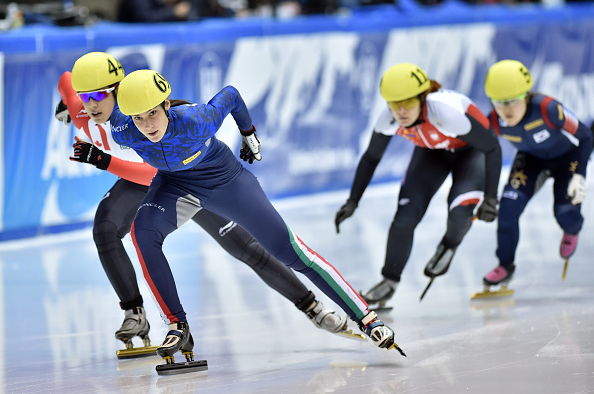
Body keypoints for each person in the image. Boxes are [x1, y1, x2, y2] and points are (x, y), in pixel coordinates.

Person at [55, 52, 358, 355]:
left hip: (177, 174)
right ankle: (135, 313)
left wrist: (103, 159)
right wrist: (68, 105)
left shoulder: (136, 112)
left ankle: (312, 306)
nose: (91, 103)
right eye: (85, 97)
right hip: (149, 181)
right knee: (105, 229)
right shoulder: (83, 106)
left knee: (245, 248)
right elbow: (66, 81)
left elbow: (153, 170)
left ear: (120, 89)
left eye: (98, 95)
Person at [111, 69, 404, 366]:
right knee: (142, 234)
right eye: (138, 118)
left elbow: (232, 95)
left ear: (166, 105)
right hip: (175, 186)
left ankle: (367, 318)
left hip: (225, 182)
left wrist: (248, 133)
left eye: (152, 114)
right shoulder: (123, 129)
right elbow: (99, 108)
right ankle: (178, 325)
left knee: (291, 253)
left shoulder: (196, 120)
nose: (147, 125)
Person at [335, 63, 502, 306]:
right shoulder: (388, 119)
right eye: (394, 104)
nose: (401, 111)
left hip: (471, 153)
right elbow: (371, 158)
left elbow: (492, 147)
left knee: (459, 213)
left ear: (423, 98)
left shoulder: (446, 113)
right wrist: (353, 201)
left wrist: (491, 197)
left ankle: (449, 245)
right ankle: (389, 281)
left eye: (408, 103)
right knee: (404, 217)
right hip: (432, 154)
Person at [480, 59, 592, 291]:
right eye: (498, 103)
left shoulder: (548, 109)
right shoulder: (493, 121)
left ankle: (572, 229)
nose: (505, 110)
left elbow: (586, 136)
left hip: (566, 160)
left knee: (565, 213)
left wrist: (579, 175)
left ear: (526, 95)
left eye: (512, 101)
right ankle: (505, 264)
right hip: (530, 161)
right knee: (508, 210)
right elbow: (482, 153)